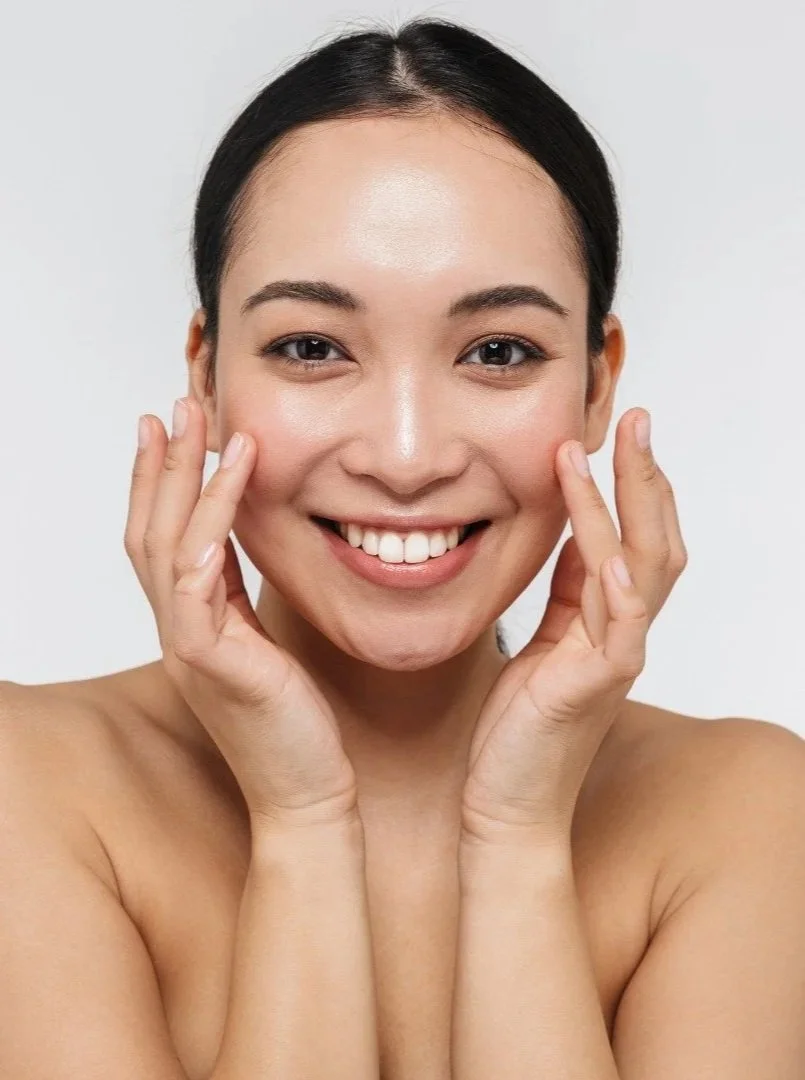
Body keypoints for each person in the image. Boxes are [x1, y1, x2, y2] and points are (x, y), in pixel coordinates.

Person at [2, 15, 804, 1080]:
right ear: (204, 371)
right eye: (312, 347)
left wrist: (519, 841)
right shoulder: (30, 785)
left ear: (597, 383)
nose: (408, 455)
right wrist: (299, 824)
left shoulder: (741, 808)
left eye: (499, 351)